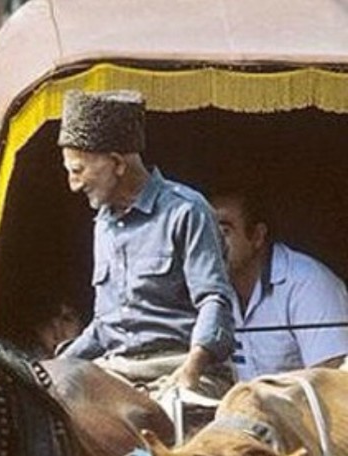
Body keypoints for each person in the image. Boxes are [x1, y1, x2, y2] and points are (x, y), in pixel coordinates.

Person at [56, 89, 236, 400]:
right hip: (115, 372)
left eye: (78, 170)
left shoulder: (187, 211)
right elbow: (104, 326)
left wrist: (192, 369)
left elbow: (213, 300)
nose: (72, 185)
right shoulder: (104, 224)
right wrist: (54, 367)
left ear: (116, 163)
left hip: (179, 369)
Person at [211, 187, 348, 380]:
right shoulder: (209, 289)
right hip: (239, 407)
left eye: (225, 231)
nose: (212, 242)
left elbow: (330, 381)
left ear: (258, 236)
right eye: (206, 231)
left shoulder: (308, 284)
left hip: (305, 408)